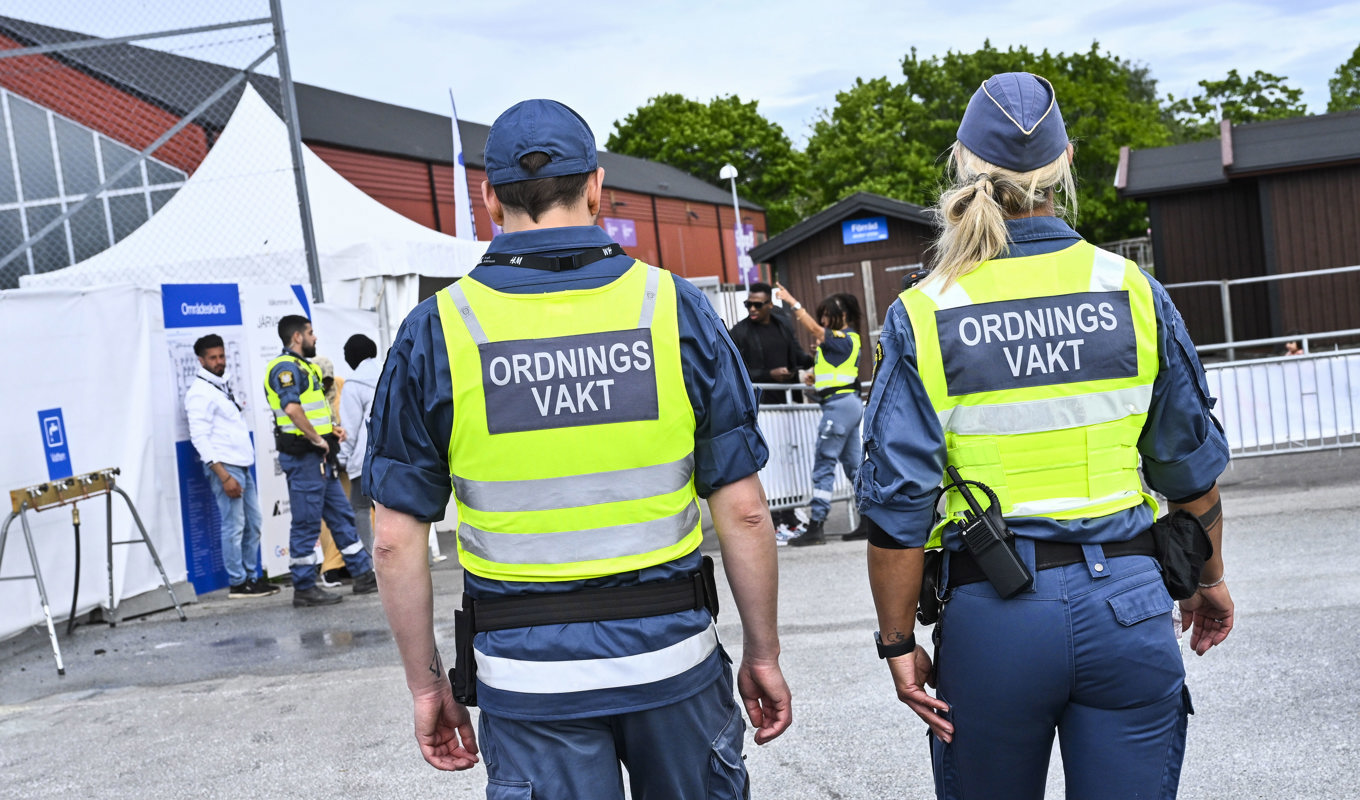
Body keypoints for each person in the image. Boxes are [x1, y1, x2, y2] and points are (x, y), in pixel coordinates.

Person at [367, 99, 791, 798]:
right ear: (596, 186)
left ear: (489, 199)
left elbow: (392, 540)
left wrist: (426, 684)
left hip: (527, 680)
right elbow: (744, 511)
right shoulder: (673, 307)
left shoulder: (437, 329)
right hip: (672, 662)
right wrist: (763, 652)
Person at [858, 72, 1234, 800]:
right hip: (1129, 603)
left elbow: (897, 508)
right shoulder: (1130, 288)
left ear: (964, 164)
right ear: (1063, 166)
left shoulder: (926, 310)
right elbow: (1188, 467)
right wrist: (1210, 580)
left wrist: (899, 643)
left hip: (996, 615)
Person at [263, 315, 378, 607]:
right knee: (305, 522)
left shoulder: (305, 367)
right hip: (304, 458)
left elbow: (312, 410)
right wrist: (316, 438)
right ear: (297, 337)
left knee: (342, 516)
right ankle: (303, 587)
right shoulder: (286, 368)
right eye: (311, 333)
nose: (315, 338)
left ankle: (364, 575)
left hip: (318, 458)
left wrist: (330, 432)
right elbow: (291, 408)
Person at [772, 284, 869, 545]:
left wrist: (792, 301)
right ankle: (870, 521)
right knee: (853, 467)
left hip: (839, 408)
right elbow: (837, 373)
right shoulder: (846, 340)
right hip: (845, 404)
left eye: (827, 315)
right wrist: (816, 379)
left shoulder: (844, 337)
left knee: (824, 464)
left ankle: (816, 526)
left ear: (842, 315)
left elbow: (815, 329)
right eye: (822, 315)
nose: (823, 320)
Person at [184, 334, 276, 598]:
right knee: (233, 526)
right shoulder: (199, 393)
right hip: (226, 468)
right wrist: (223, 476)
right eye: (212, 358)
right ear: (200, 360)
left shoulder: (220, 387)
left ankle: (252, 577)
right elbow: (199, 437)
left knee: (253, 523)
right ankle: (238, 583)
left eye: (221, 356)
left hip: (242, 465)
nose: (219, 362)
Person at [729, 282, 811, 538]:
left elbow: (797, 355)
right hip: (762, 409)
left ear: (769, 305)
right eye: (748, 304)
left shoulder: (782, 324)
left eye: (757, 304)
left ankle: (789, 514)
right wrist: (768, 374)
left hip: (788, 404)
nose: (752, 309)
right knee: (770, 465)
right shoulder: (740, 332)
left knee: (790, 460)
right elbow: (733, 369)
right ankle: (774, 518)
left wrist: (817, 357)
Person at [338, 333, 379, 555]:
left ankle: (370, 560)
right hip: (395, 454)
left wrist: (341, 458)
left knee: (360, 508)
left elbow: (350, 429)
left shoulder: (353, 384)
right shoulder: (388, 372)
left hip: (365, 457)